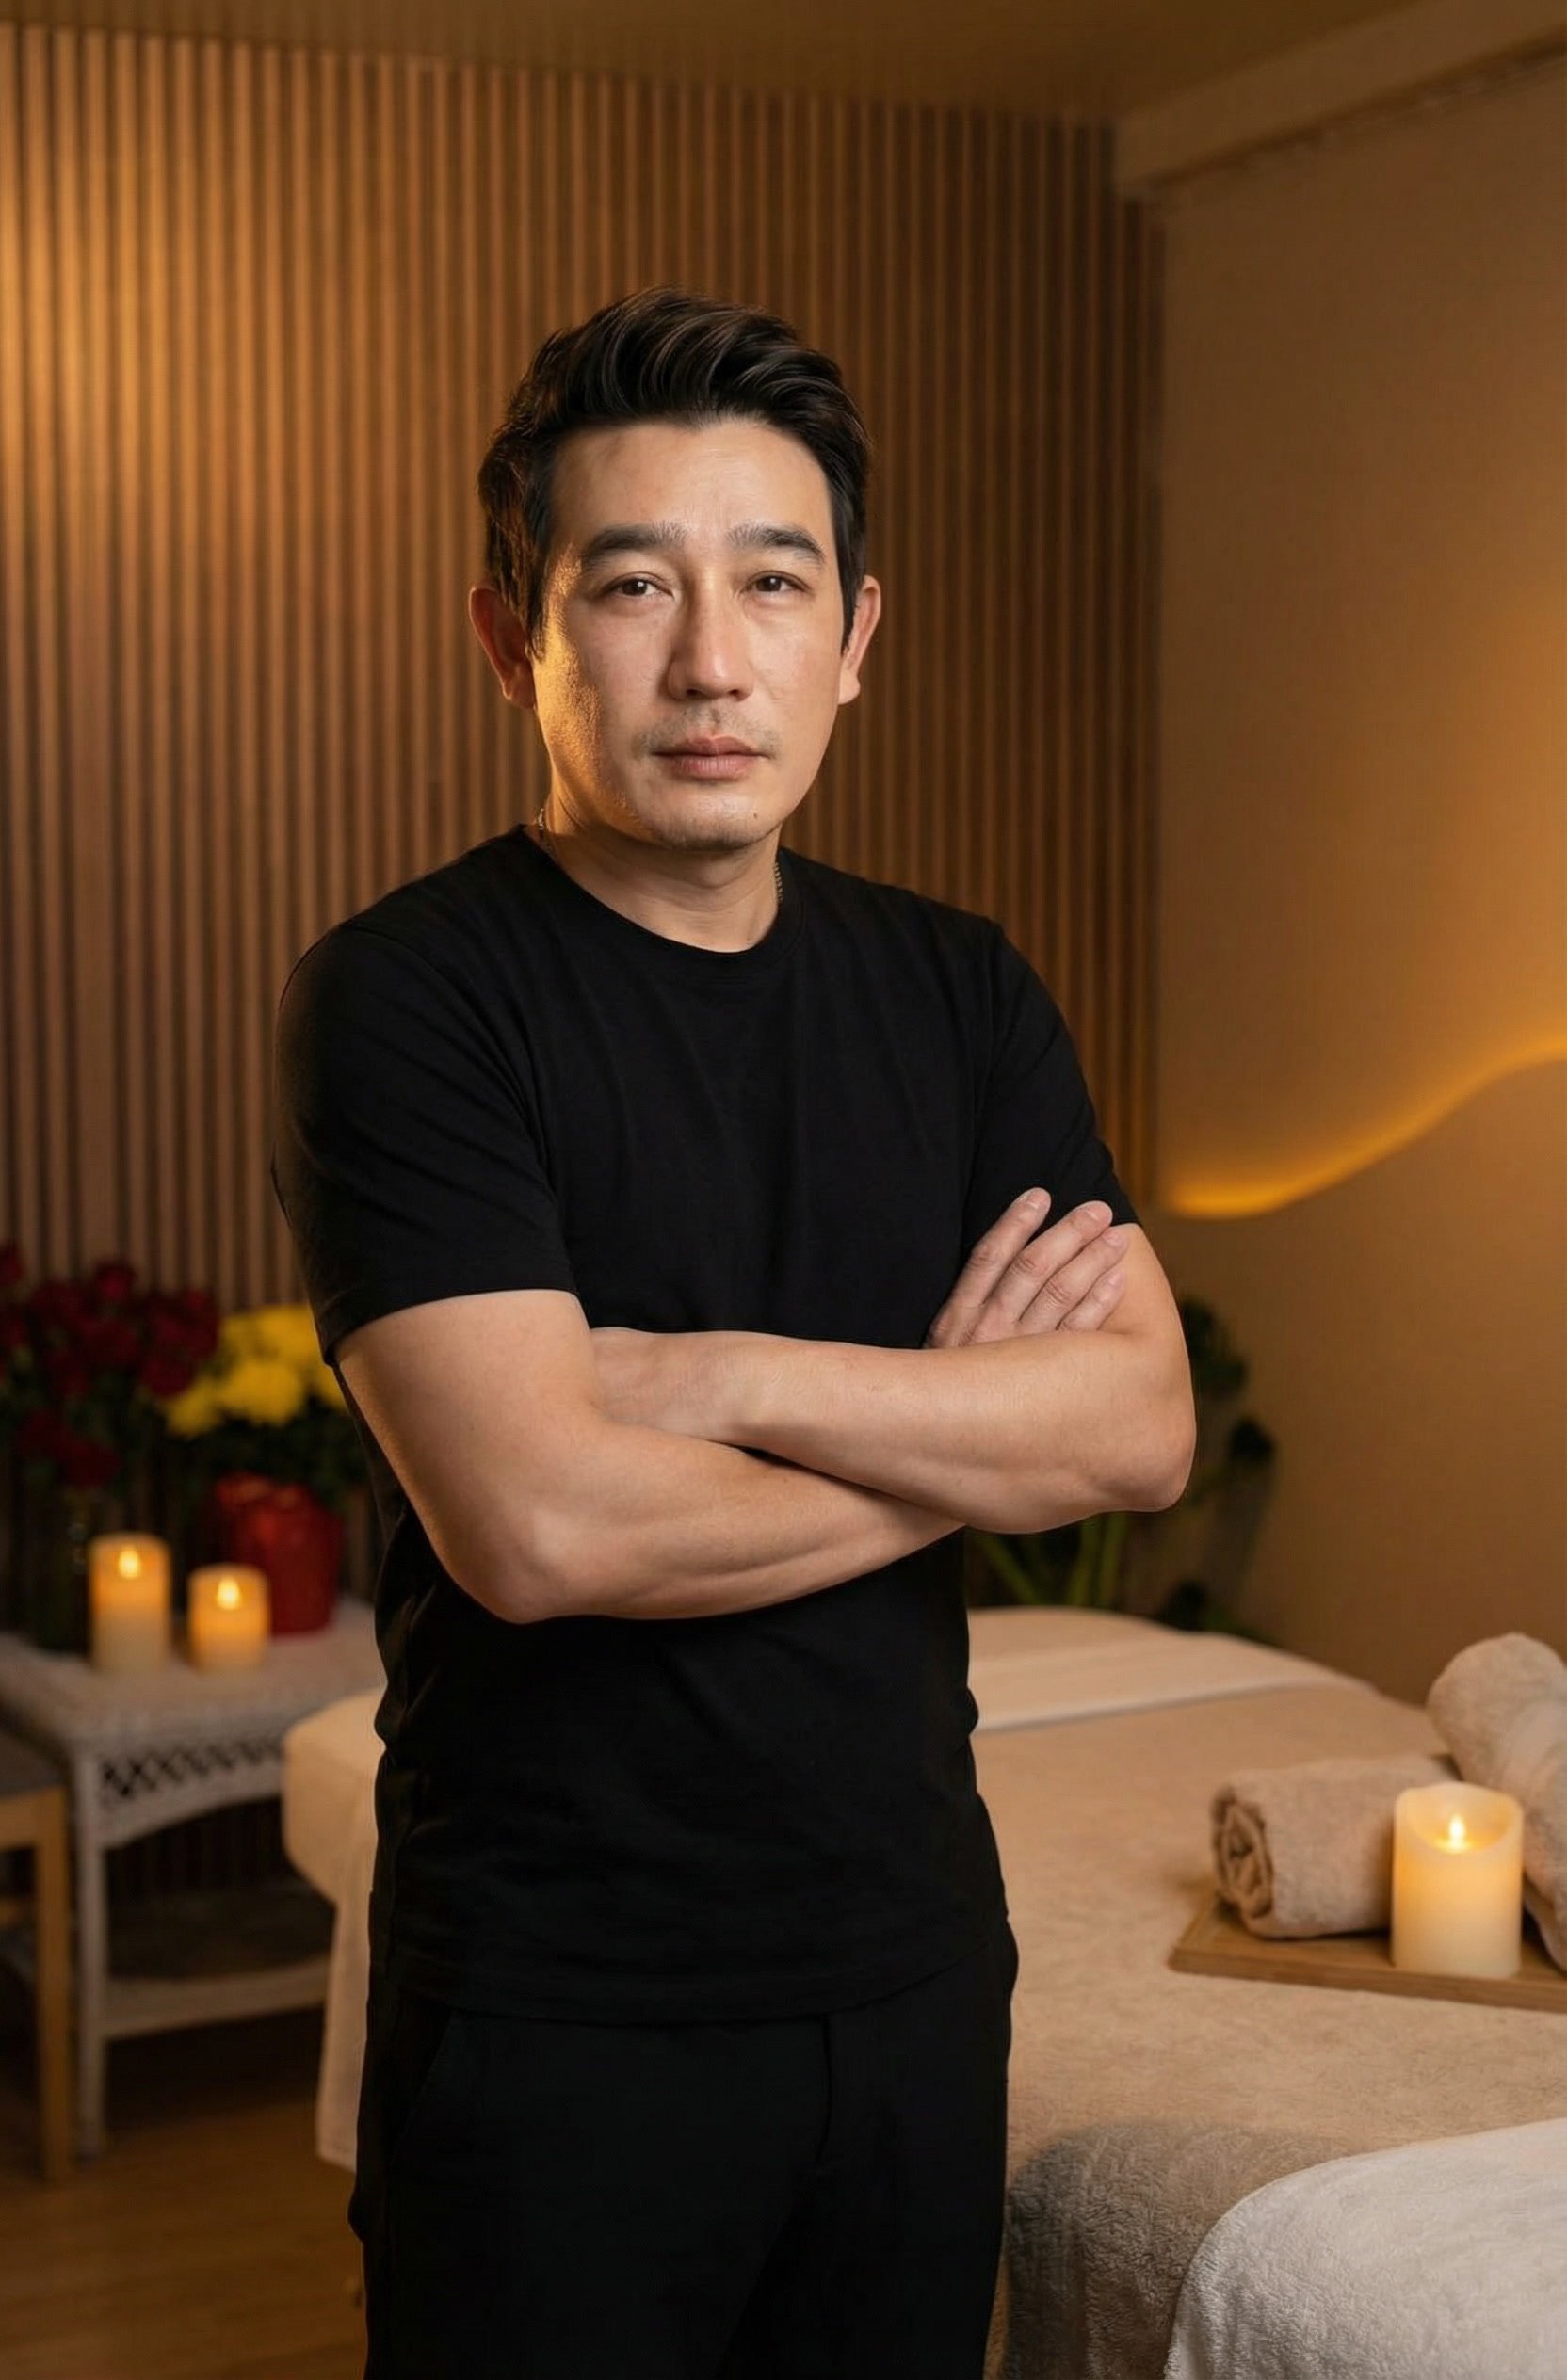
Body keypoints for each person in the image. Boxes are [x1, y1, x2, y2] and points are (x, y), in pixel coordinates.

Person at [269, 285, 1193, 2380]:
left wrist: (717, 1375)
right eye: (632, 585)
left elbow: (1137, 1427)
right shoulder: (408, 1000)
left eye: (770, 583)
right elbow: (543, 1534)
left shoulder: (959, 992)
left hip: (913, 1975)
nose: (709, 658)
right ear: (510, 635)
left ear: (853, 636)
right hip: (553, 2013)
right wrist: (968, 1426)